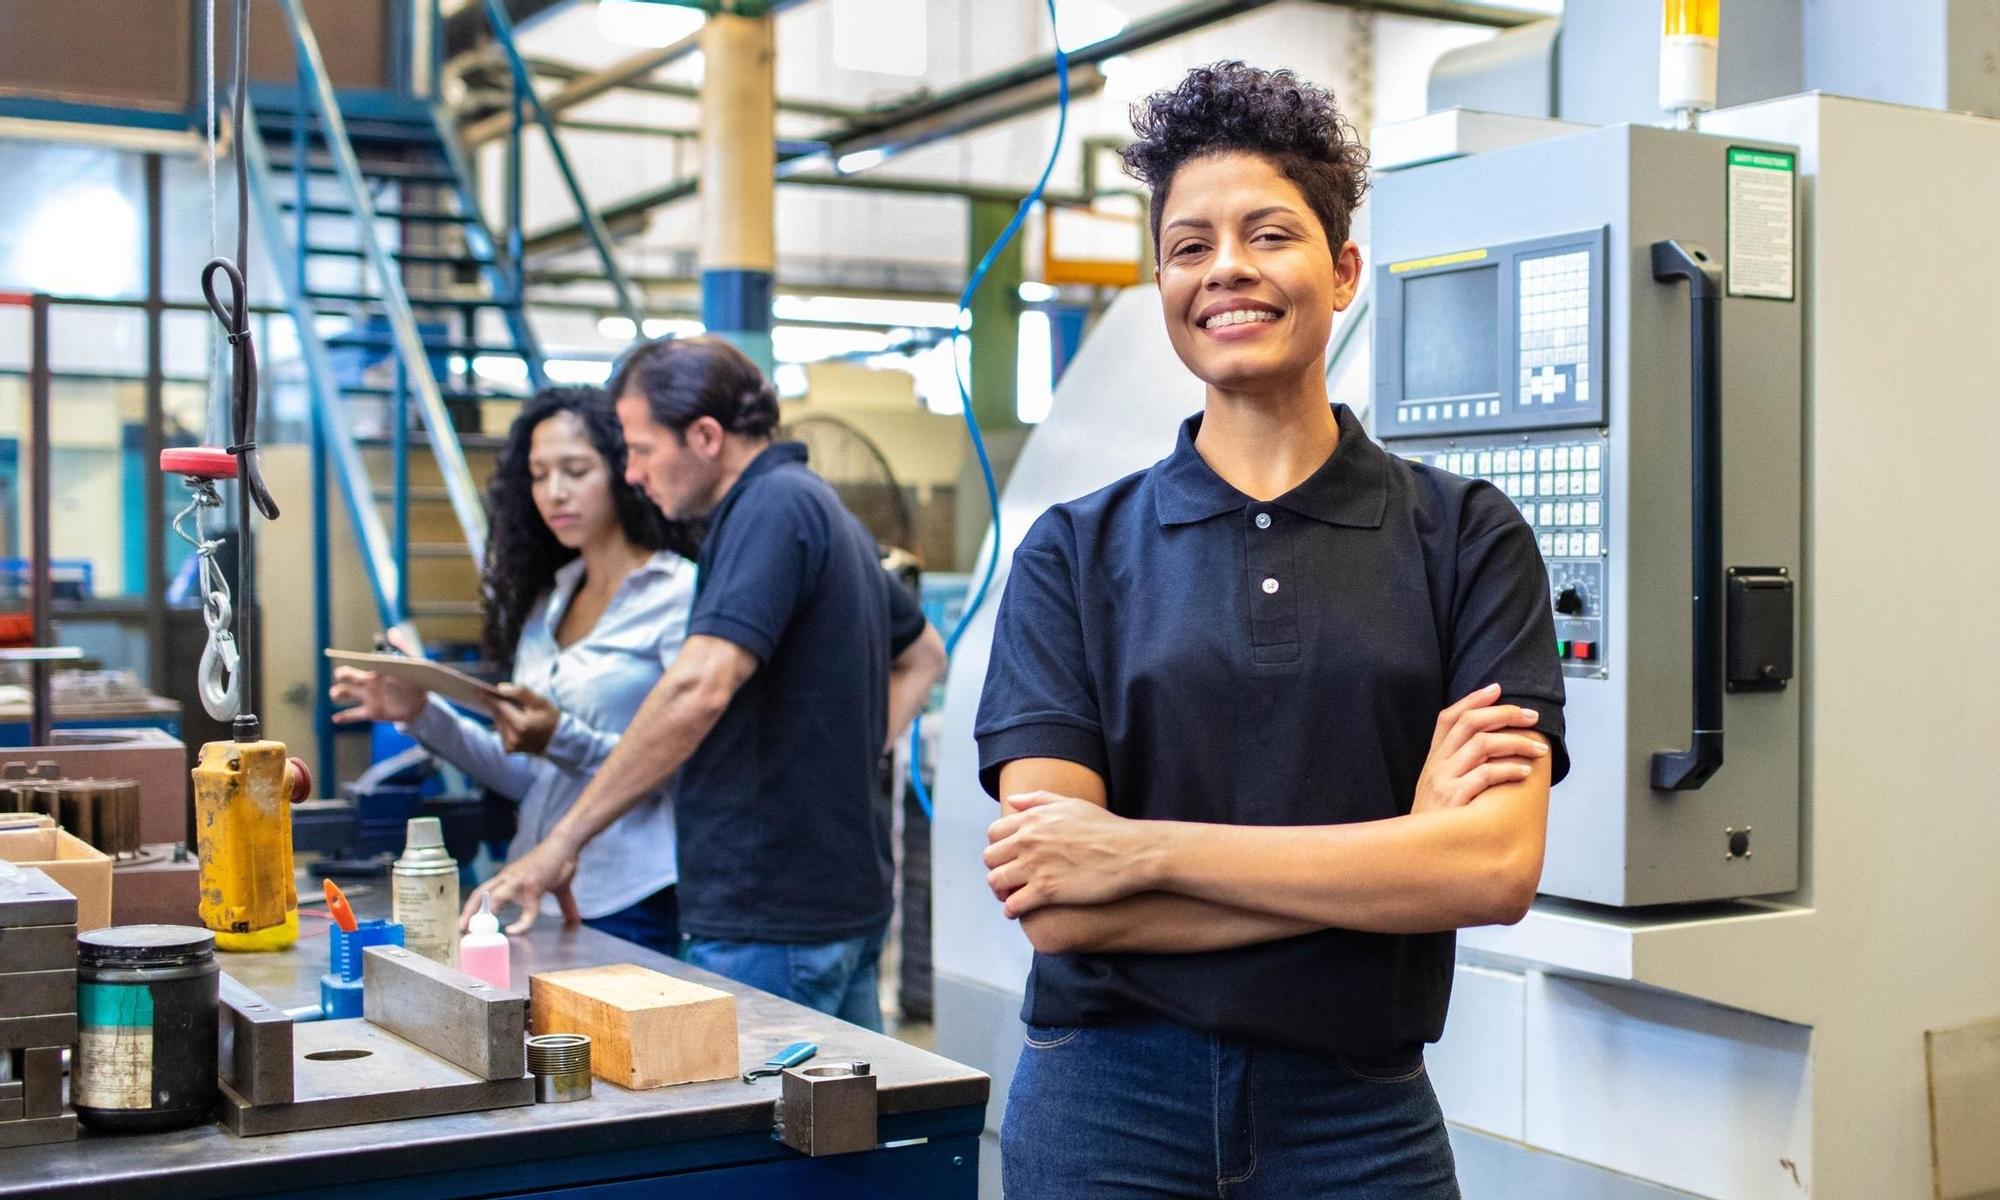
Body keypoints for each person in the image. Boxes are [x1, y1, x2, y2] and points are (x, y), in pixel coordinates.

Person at [975, 63, 1569, 1198]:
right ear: (1161, 283)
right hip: (1107, 1105)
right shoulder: (1073, 552)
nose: (1226, 270)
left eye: (1267, 234)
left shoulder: (1463, 538)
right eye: (1188, 245)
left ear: (1342, 270)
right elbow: (1054, 902)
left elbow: (1490, 865)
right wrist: (1396, 854)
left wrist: (1138, 851)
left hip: (1358, 1115)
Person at [465, 336, 948, 1031]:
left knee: (760, 1130)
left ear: (705, 436)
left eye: (641, 449)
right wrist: (844, 755)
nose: (632, 474)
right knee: (841, 1127)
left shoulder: (768, 509)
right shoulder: (819, 506)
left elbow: (700, 688)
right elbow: (923, 653)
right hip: (836, 906)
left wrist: (559, 846)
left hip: (769, 917)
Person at [330, 386, 699, 957]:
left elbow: (680, 763)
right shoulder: (552, 599)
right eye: (539, 473)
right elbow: (528, 778)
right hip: (536, 887)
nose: (555, 492)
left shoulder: (676, 593)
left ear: (624, 469)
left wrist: (560, 736)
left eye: (576, 470)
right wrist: (424, 713)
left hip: (630, 895)